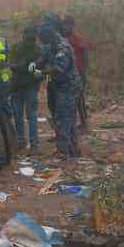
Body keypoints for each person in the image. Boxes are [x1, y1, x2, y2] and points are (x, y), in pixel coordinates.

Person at [33, 24, 81, 158]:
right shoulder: (50, 45)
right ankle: (72, 149)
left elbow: (59, 68)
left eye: (42, 38)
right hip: (56, 86)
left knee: (64, 118)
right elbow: (43, 58)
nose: (41, 41)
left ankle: (63, 151)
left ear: (50, 35)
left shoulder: (63, 47)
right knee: (63, 117)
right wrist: (35, 64)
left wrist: (41, 72)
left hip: (68, 87)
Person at [9, 26, 43, 153]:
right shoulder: (16, 48)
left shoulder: (37, 49)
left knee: (31, 115)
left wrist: (36, 66)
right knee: (19, 115)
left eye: (32, 39)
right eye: (28, 39)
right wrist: (22, 65)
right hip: (17, 86)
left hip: (31, 86)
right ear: (24, 37)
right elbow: (12, 65)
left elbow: (43, 64)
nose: (30, 42)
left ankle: (33, 143)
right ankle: (22, 141)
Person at [61, 15, 90, 131]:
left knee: (79, 99)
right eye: (64, 25)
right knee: (72, 100)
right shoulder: (64, 38)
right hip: (68, 75)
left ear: (72, 26)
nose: (65, 27)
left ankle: (84, 124)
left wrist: (83, 72)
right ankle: (76, 125)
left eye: (67, 25)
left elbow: (85, 53)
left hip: (78, 74)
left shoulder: (76, 38)